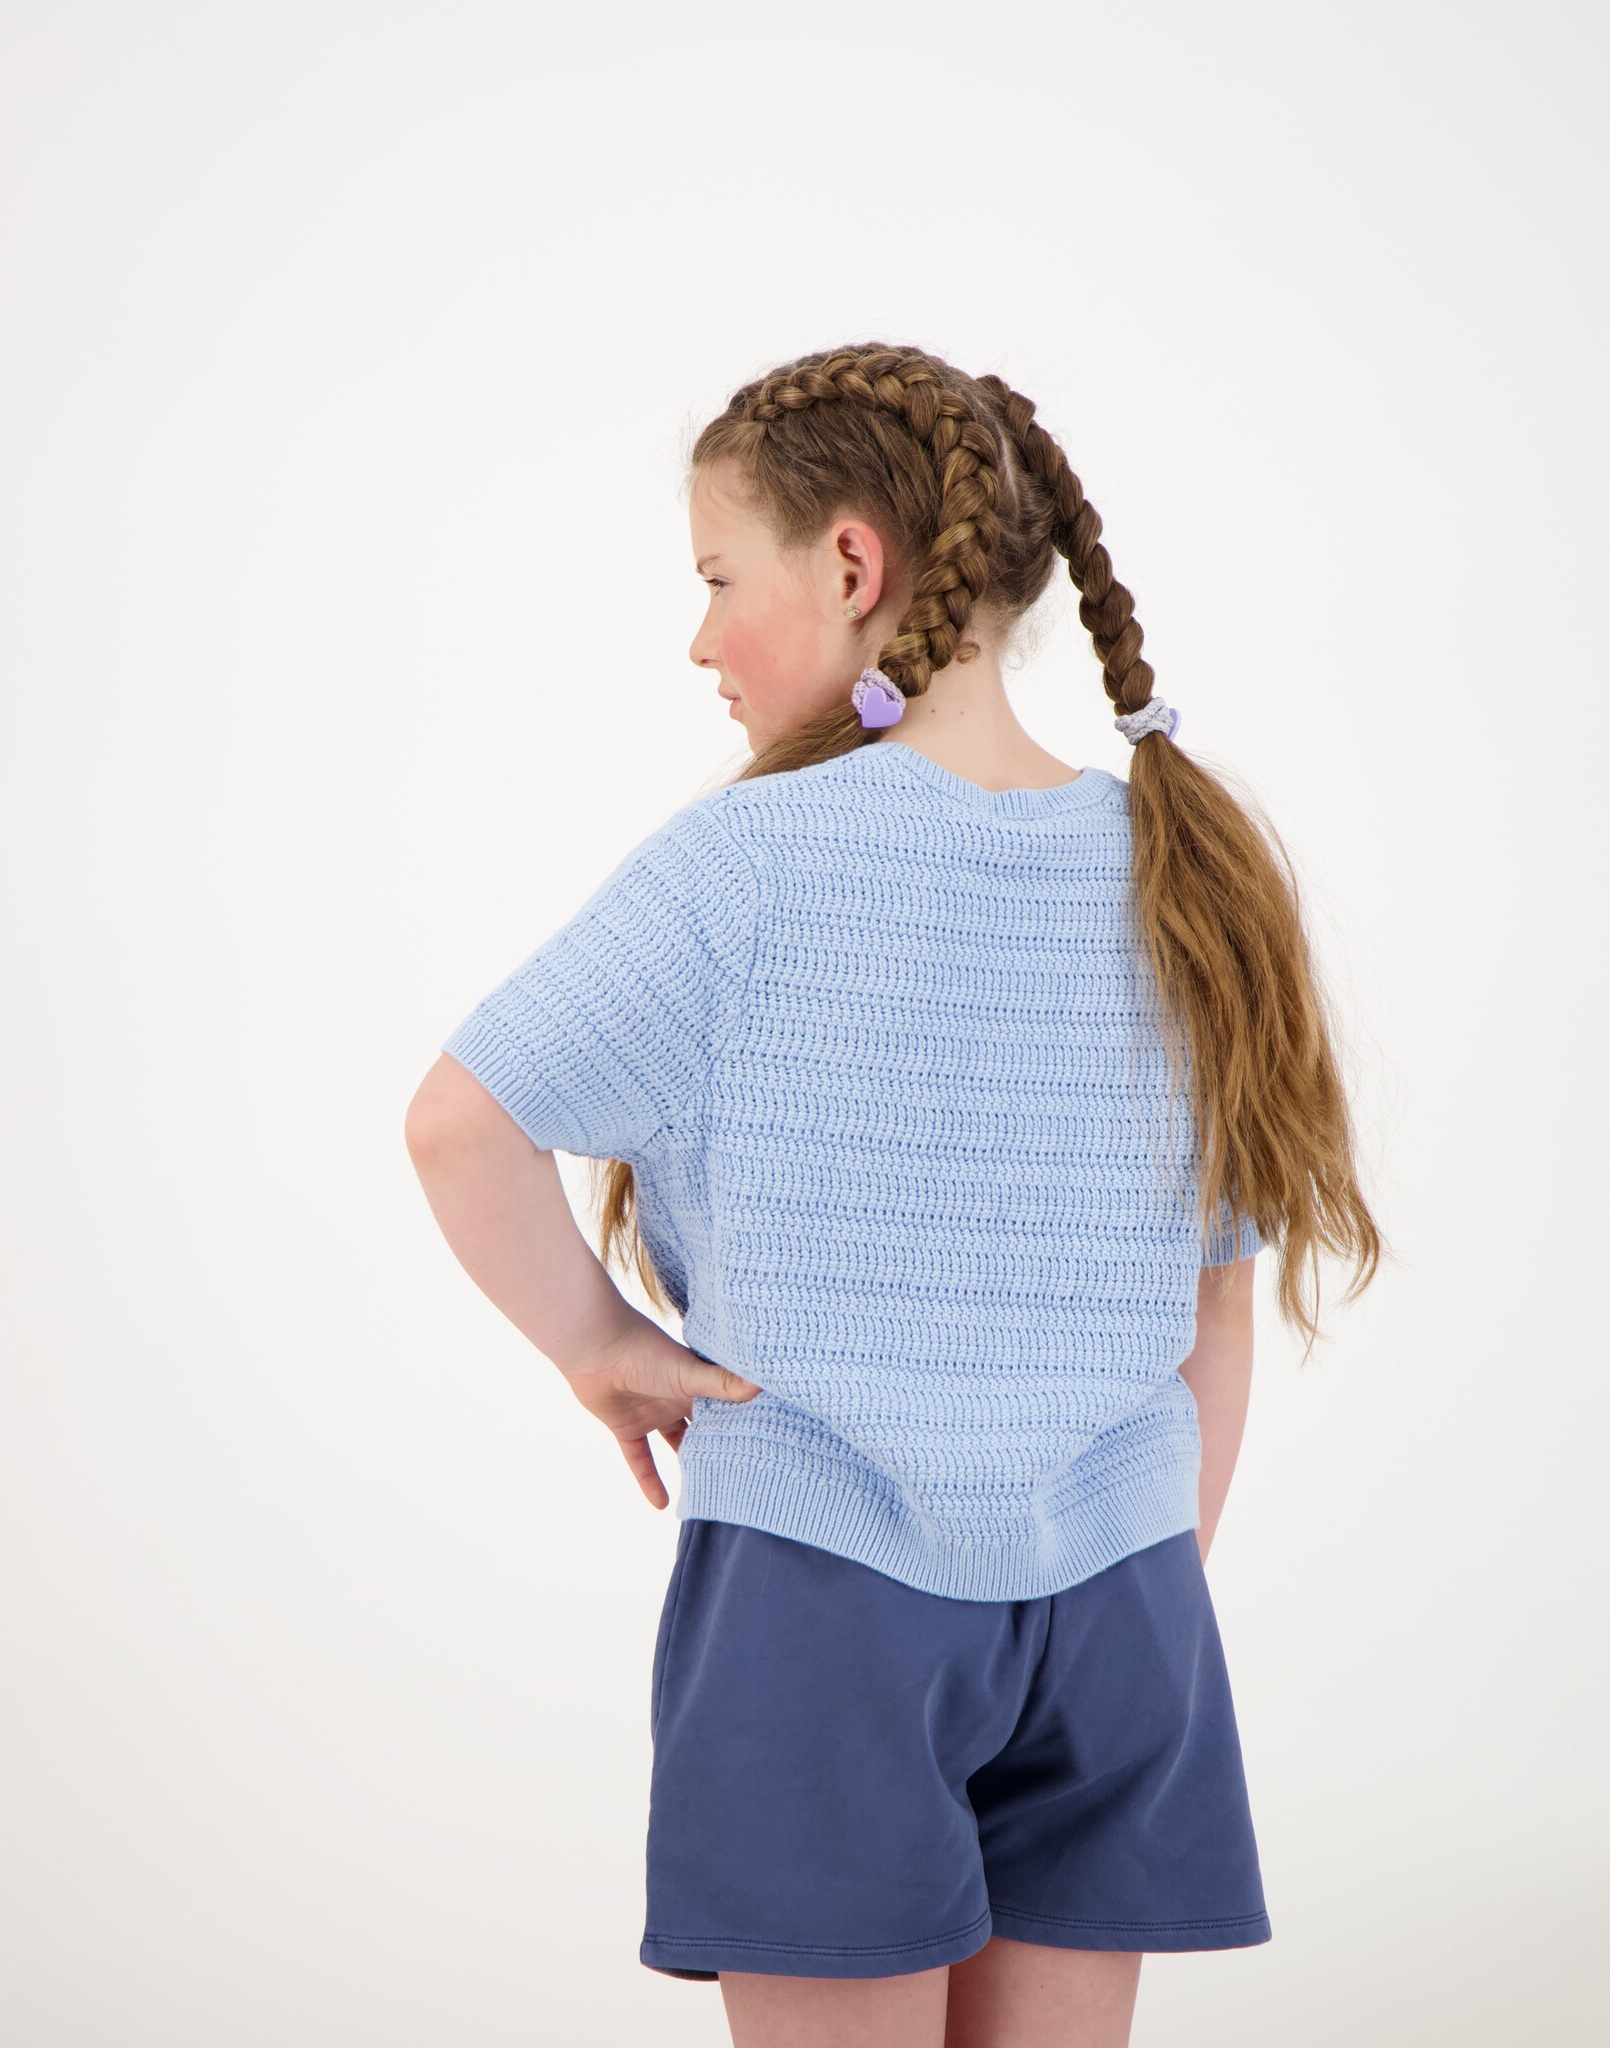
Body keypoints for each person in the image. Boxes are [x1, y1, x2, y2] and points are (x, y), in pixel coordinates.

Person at [405, 341, 1385, 2048]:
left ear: (853, 564)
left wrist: (599, 1347)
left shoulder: (746, 866)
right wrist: (1141, 1575)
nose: (699, 639)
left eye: (718, 580)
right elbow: (1215, 1298)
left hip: (822, 1601)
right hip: (1124, 1606)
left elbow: (457, 1125)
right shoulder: (1185, 871)